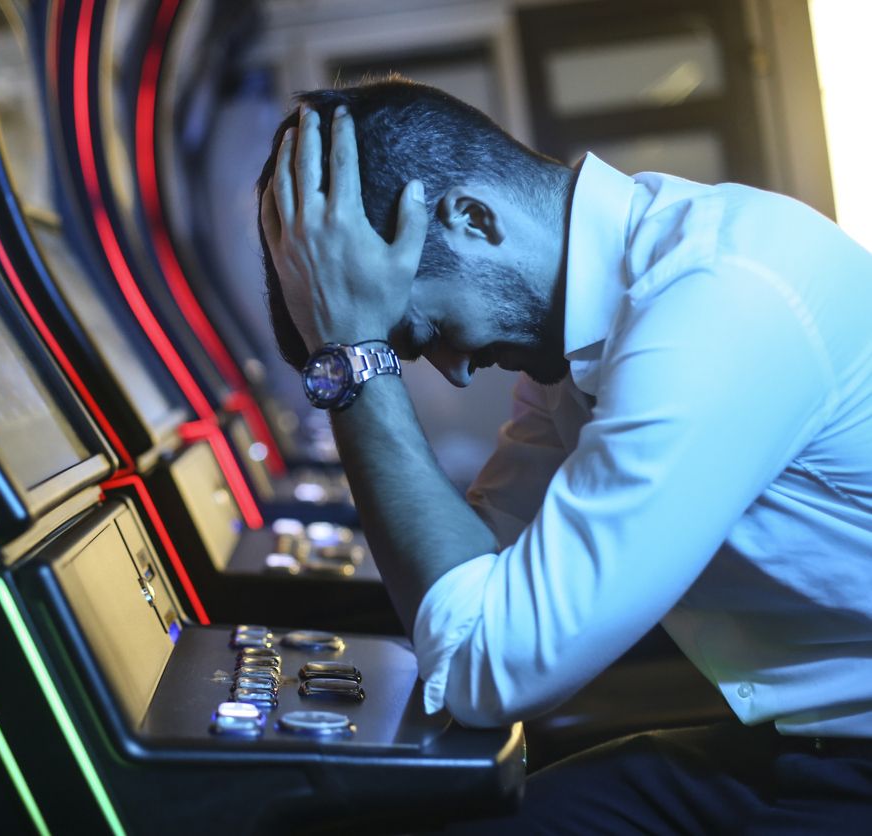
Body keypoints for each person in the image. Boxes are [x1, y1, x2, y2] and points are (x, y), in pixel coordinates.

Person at [257, 78, 872, 833]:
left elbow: (486, 667)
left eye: (427, 331)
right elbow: (473, 574)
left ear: (473, 220)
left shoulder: (718, 300)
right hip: (810, 742)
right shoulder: (581, 349)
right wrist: (350, 349)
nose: (455, 372)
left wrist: (354, 355)